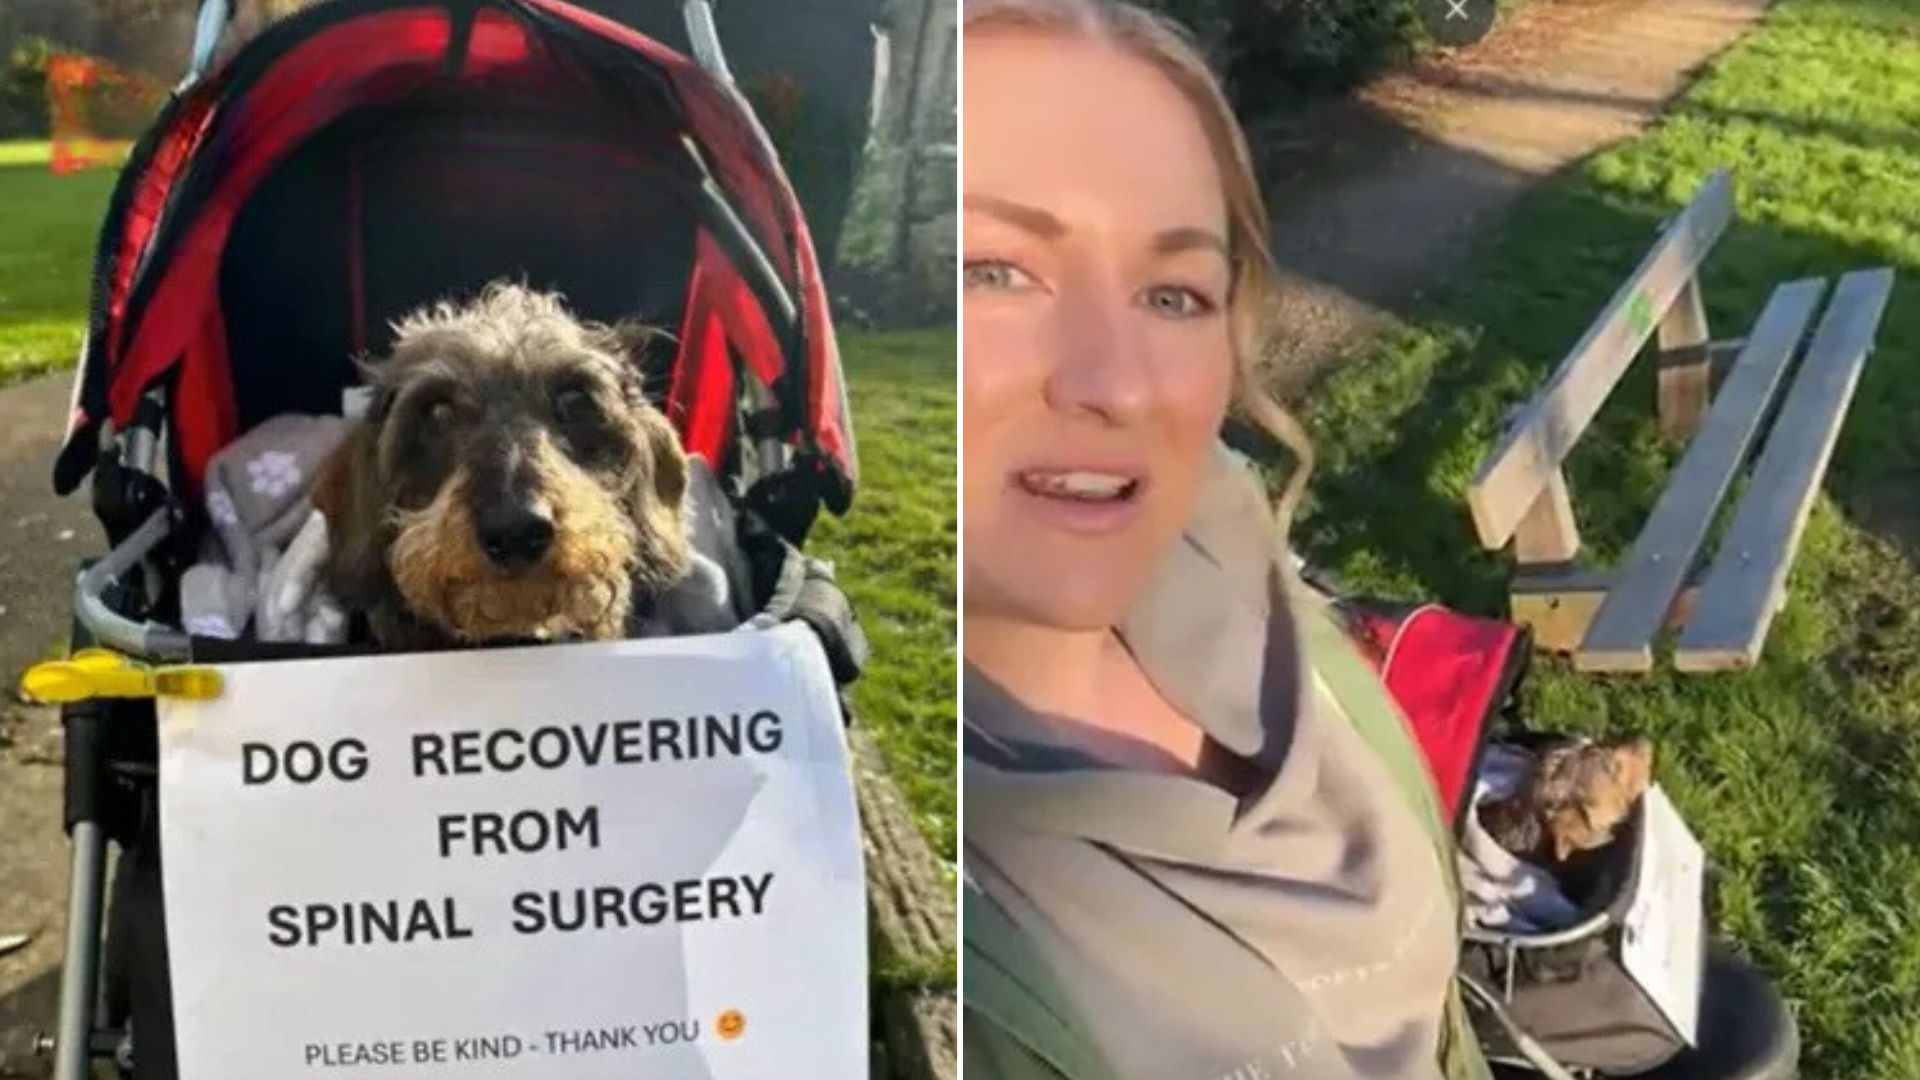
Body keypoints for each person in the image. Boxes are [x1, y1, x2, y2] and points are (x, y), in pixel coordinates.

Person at [960, 2, 1491, 1077]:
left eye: (1173, 292)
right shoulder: (875, 907)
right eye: (994, 272)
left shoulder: (1235, 564)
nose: (1116, 383)